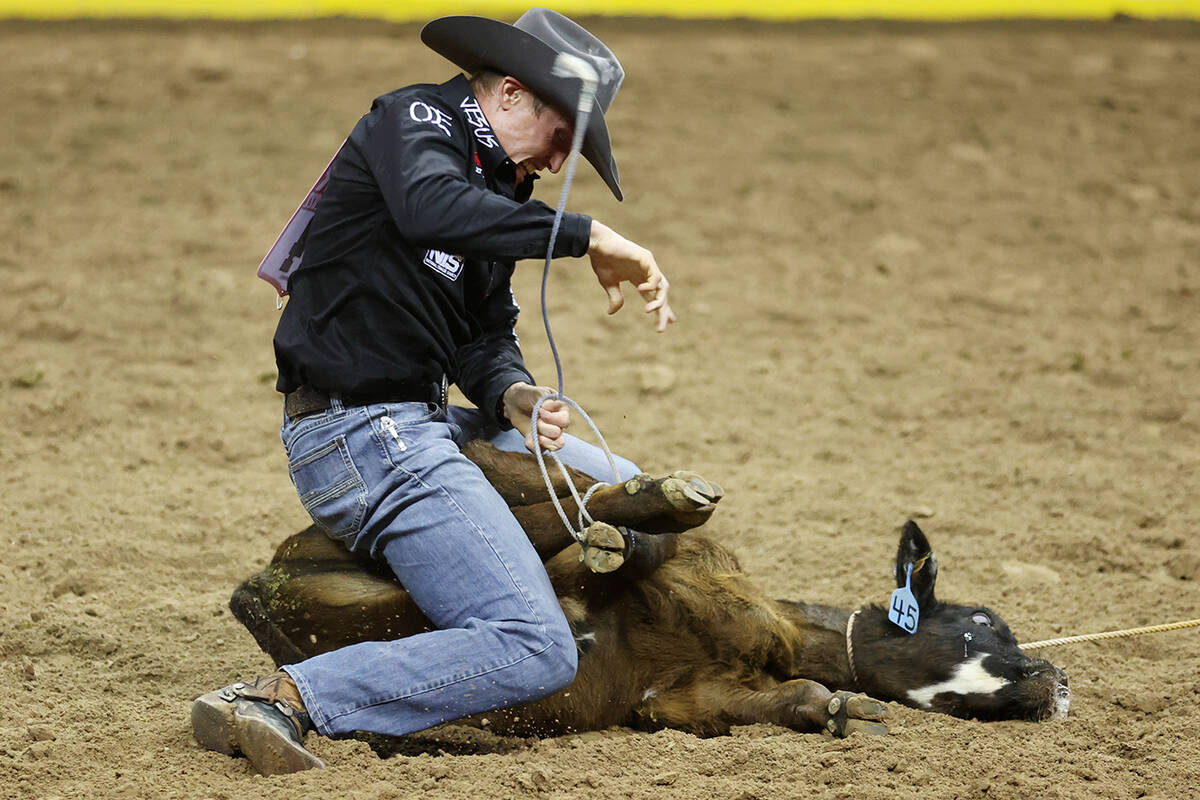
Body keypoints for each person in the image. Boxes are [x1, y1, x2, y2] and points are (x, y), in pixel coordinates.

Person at [192, 8, 675, 775]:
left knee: (631, 493)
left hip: (421, 420)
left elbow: (482, 335)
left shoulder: (497, 193)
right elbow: (428, 207)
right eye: (562, 139)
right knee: (535, 647)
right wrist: (586, 235)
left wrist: (513, 393)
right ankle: (284, 697)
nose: (558, 163)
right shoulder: (410, 119)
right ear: (511, 94)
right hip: (362, 433)